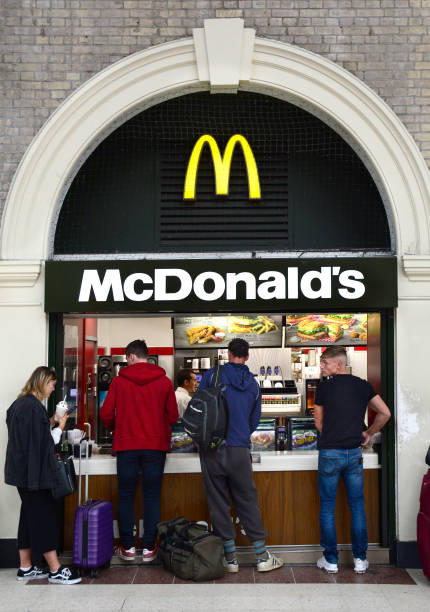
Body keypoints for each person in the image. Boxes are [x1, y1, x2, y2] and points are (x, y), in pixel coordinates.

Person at [198, 338, 283, 573]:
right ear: (247, 356)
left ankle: (230, 559)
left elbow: (198, 408)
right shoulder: (254, 385)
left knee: (218, 502)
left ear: (227, 353)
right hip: (240, 449)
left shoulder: (212, 376)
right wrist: (239, 433)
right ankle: (262, 556)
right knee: (247, 500)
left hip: (213, 449)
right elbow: (254, 421)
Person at [313, 345, 391, 574]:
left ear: (339, 364)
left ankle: (331, 561)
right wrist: (368, 433)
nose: (322, 367)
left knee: (327, 508)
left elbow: (318, 422)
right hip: (354, 453)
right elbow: (385, 413)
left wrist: (330, 434)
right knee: (357, 506)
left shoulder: (324, 388)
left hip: (329, 453)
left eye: (325, 362)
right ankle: (359, 560)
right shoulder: (362, 385)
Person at [100, 339, 179, 563]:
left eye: (126, 359)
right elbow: (173, 416)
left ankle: (126, 547)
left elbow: (105, 414)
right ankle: (148, 548)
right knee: (152, 495)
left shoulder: (118, 382)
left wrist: (118, 427)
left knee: (126, 495)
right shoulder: (164, 382)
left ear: (131, 357)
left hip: (126, 447)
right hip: (155, 447)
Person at [4, 366, 81, 584]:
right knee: (43, 518)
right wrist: (61, 426)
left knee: (28, 518)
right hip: (34, 475)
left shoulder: (20, 405)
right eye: (52, 384)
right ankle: (56, 570)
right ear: (42, 382)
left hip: (21, 472)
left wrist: (53, 421)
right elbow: (45, 444)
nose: (53, 389)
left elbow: (32, 434)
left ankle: (25, 566)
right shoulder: (33, 408)